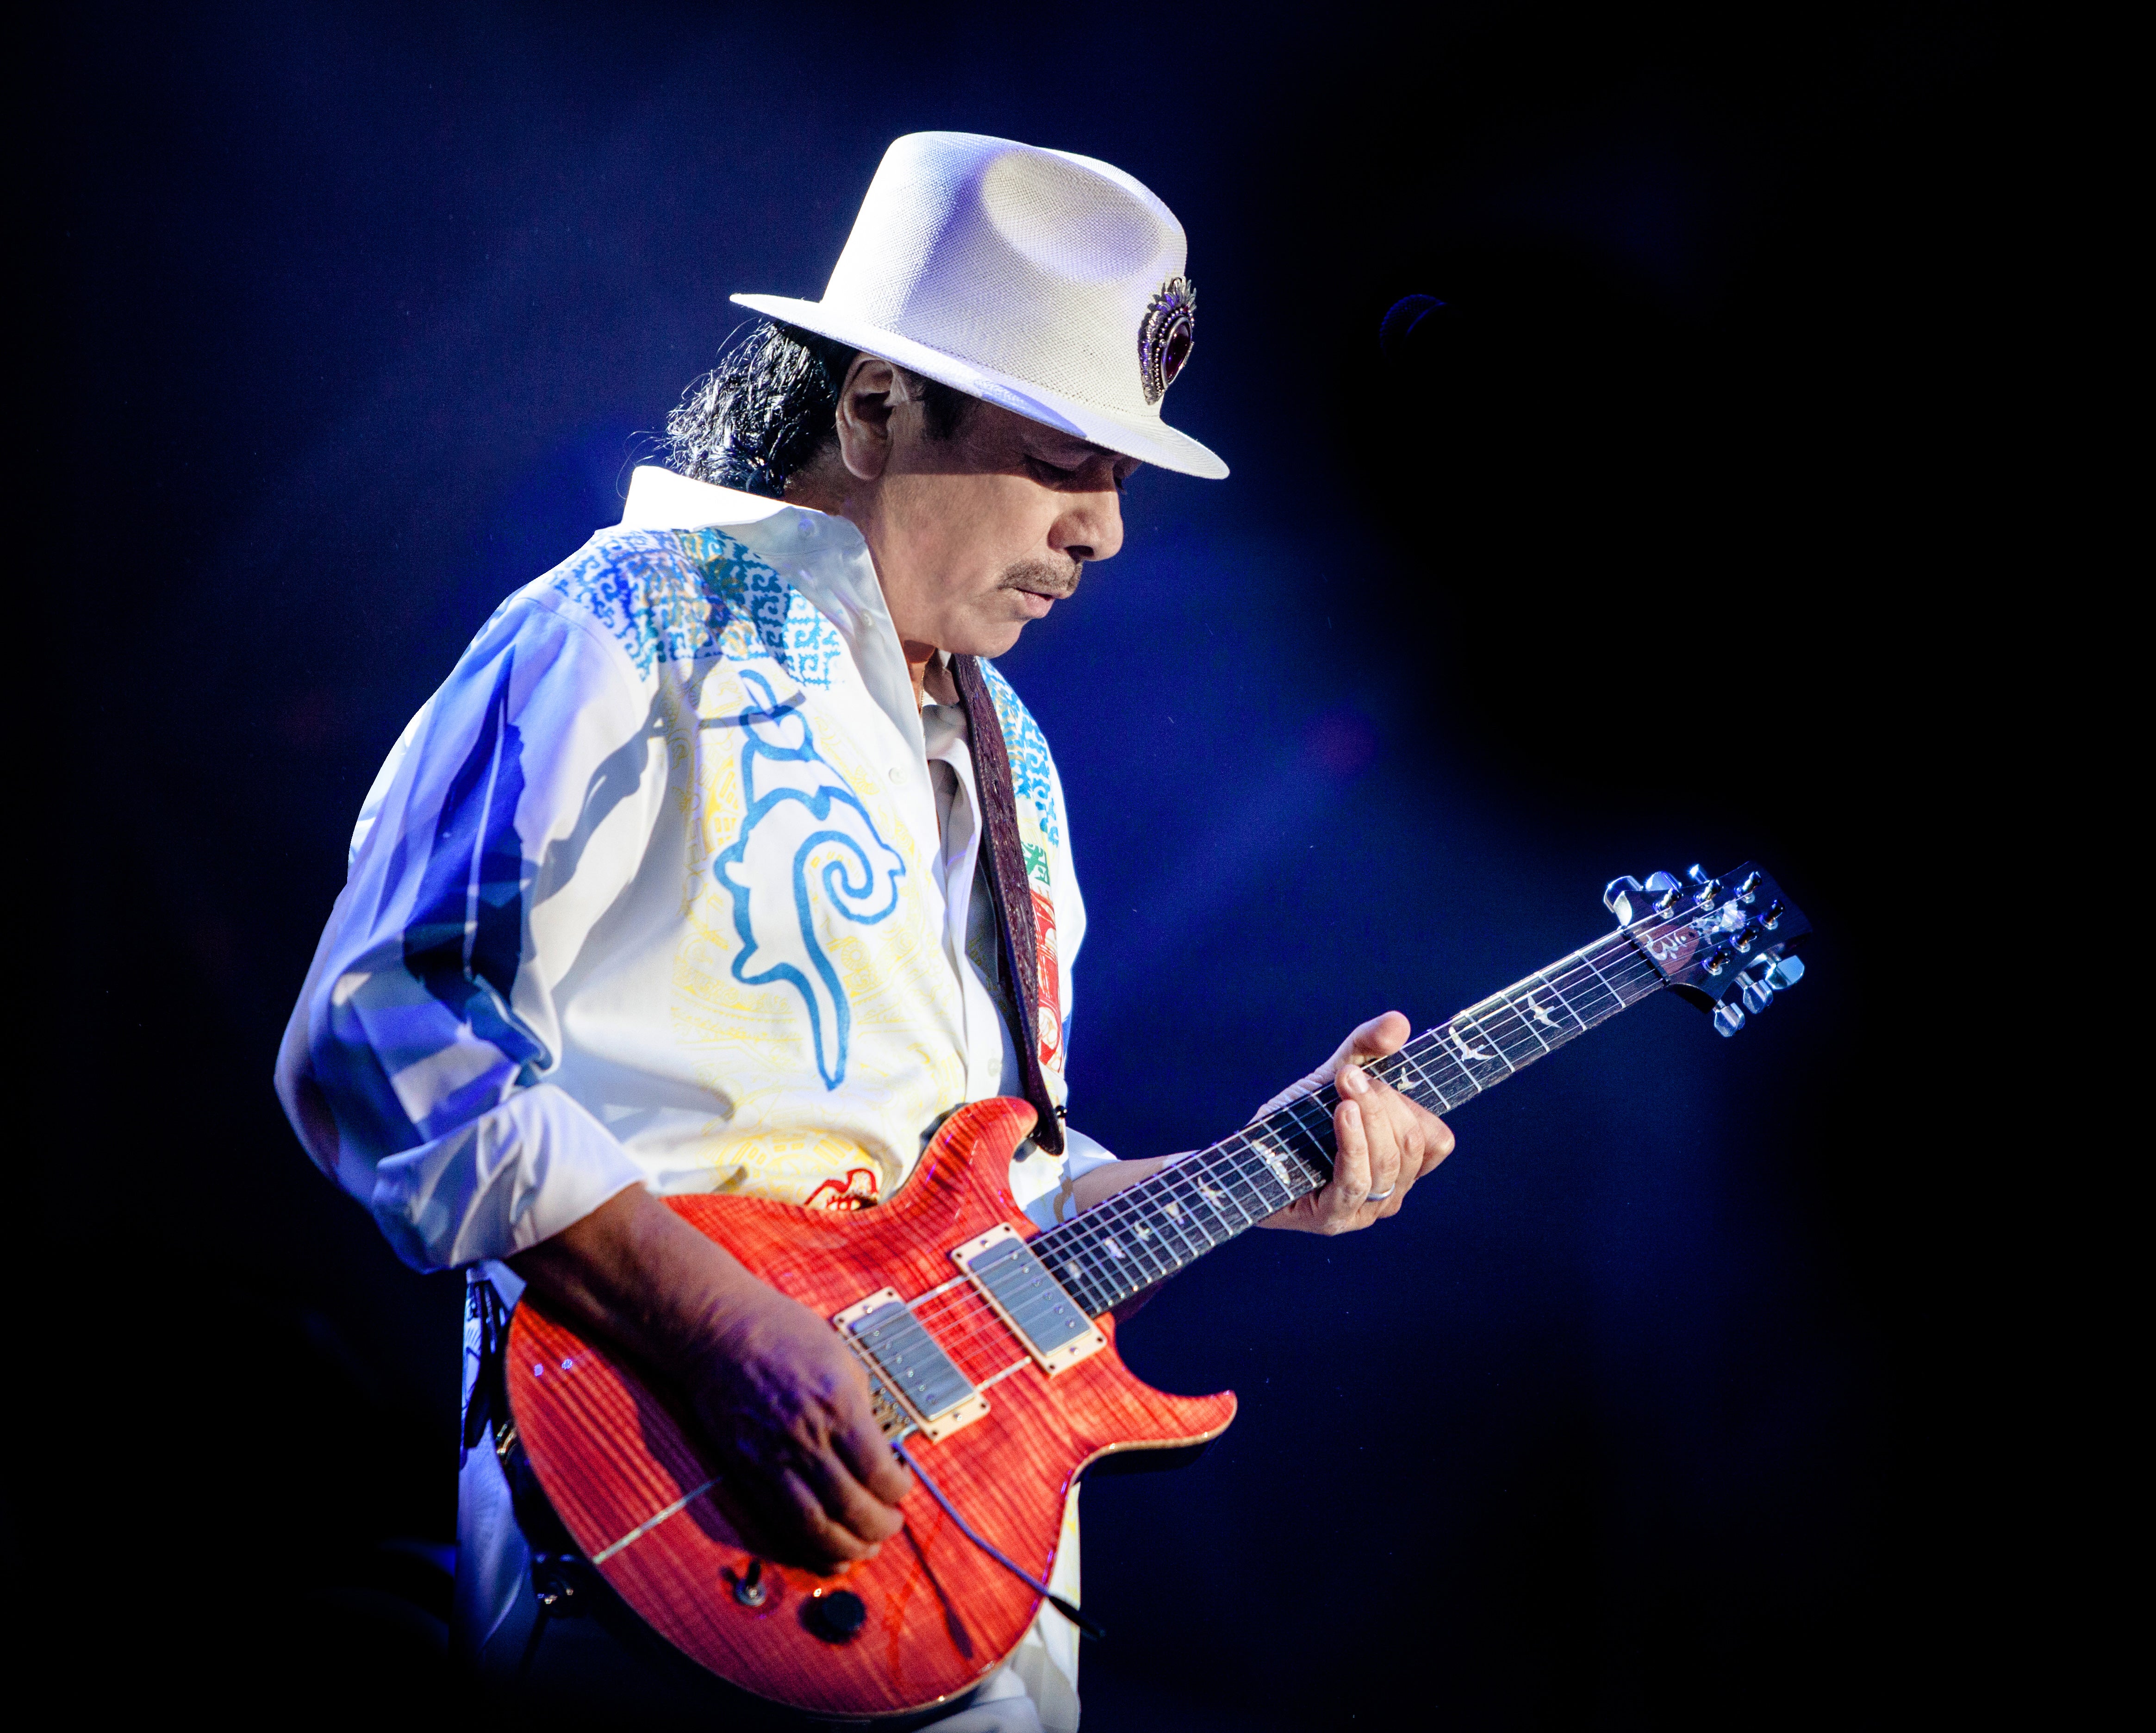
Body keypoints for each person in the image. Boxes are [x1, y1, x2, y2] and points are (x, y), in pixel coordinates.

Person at [276, 131, 1452, 1730]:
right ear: (876, 408)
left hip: (967, 1599)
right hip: (670, 1557)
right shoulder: (626, 626)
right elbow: (380, 1030)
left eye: (1119, 480)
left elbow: (991, 1203)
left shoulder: (1014, 753)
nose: (1104, 533)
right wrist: (721, 1333)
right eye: (1064, 459)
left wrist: (1258, 1171)